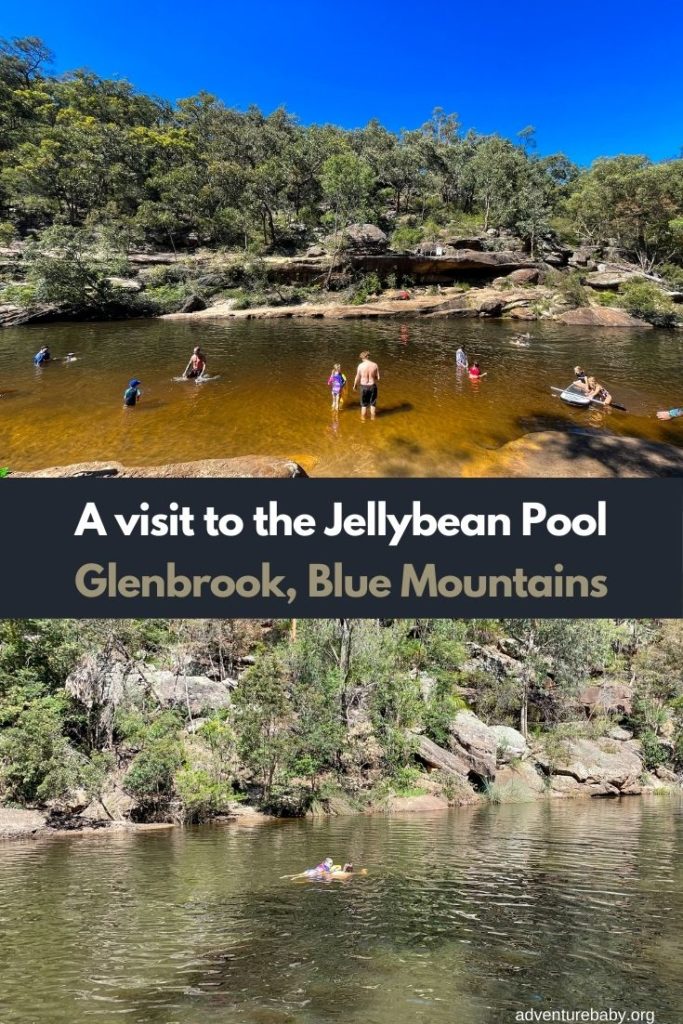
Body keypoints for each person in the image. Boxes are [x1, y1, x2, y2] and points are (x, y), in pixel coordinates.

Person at [353, 350, 380, 420]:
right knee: (372, 404)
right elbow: (378, 378)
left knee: (364, 405)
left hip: (363, 387)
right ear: (368, 356)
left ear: (364, 357)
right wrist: (373, 376)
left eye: (362, 358)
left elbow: (357, 377)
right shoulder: (375, 365)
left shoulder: (360, 366)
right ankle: (373, 419)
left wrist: (355, 385)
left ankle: (363, 421)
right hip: (372, 386)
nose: (362, 360)